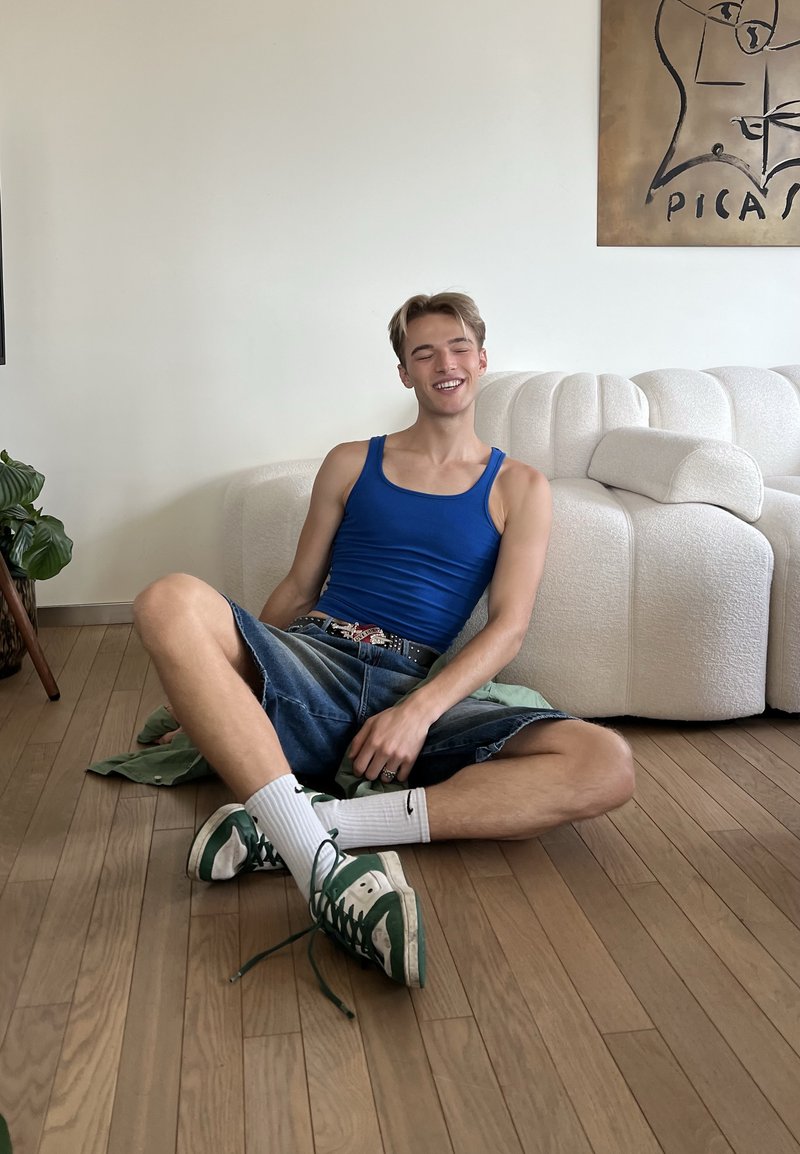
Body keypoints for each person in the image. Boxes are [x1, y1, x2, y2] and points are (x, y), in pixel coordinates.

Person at [133, 291, 634, 1010]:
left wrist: (419, 713)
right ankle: (319, 865)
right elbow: (298, 589)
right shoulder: (350, 463)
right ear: (404, 373)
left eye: (458, 347)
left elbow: (508, 628)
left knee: (606, 764)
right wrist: (218, 686)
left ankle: (302, 828)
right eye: (424, 352)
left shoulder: (520, 486)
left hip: (414, 686)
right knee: (166, 599)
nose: (445, 363)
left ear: (482, 360)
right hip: (319, 658)